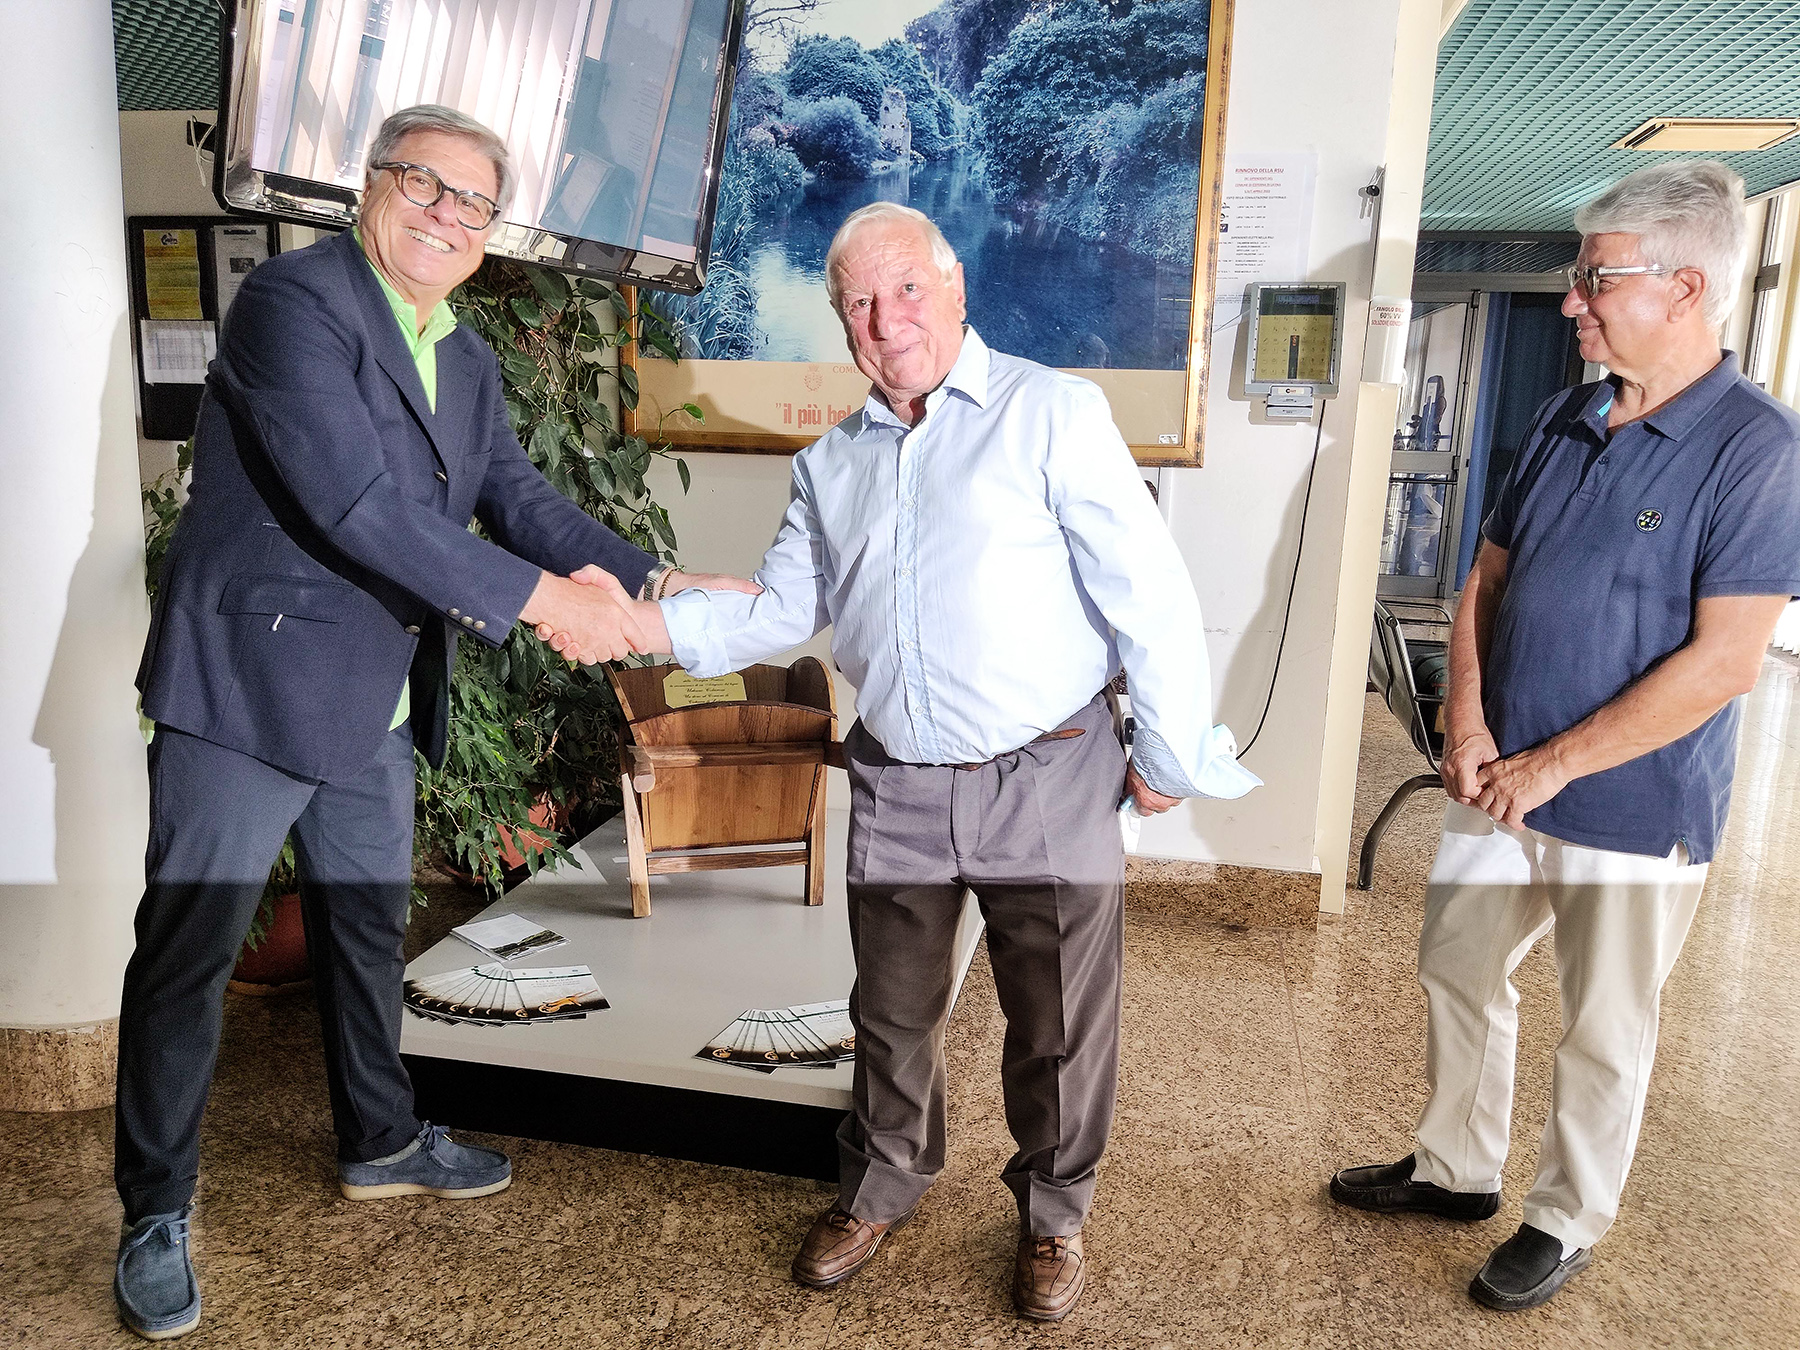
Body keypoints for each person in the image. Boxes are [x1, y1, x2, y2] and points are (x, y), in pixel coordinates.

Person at [114, 104, 749, 1340]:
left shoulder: (466, 356)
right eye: (425, 185)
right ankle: (152, 1212)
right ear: (372, 185)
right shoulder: (295, 304)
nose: (448, 217)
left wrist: (659, 581)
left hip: (375, 699)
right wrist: (548, 603)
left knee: (365, 936)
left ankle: (381, 1138)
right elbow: (355, 503)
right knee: (188, 954)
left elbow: (517, 496)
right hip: (245, 690)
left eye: (474, 204)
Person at [604, 202, 1259, 1322]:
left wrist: (1167, 747)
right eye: (858, 301)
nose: (885, 319)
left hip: (1048, 771)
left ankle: (1054, 1214)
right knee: (891, 1013)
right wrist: (643, 623)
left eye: (906, 288)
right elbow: (780, 610)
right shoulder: (830, 464)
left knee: (1057, 1024)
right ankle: (882, 1186)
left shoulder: (1052, 414)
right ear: (841, 321)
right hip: (898, 779)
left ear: (957, 289)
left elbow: (1147, 592)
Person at [1330, 161, 1800, 1311]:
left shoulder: (1760, 448)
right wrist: (1468, 717)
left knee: (1602, 1024)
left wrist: (1550, 766)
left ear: (1686, 288)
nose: (1571, 302)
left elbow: (1725, 663)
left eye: (1598, 280)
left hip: (1630, 806)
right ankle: (1454, 1167)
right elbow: (1486, 580)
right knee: (1457, 968)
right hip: (1499, 778)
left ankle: (1565, 1218)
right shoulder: (1565, 414)